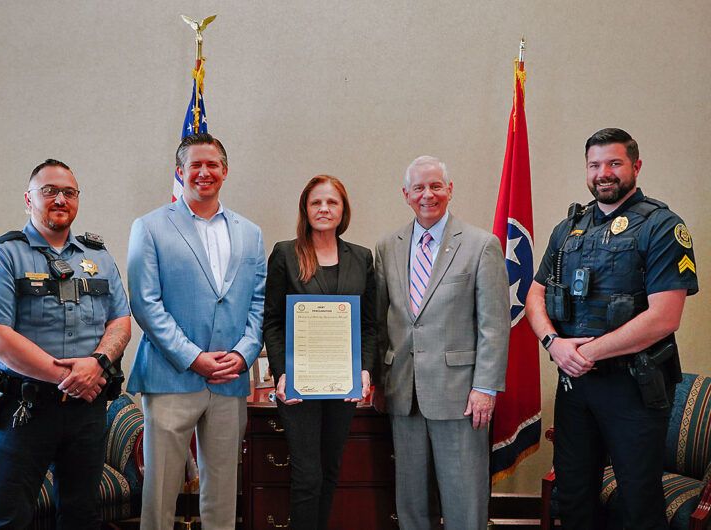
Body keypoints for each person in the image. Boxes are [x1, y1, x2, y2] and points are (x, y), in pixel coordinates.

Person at [525, 128, 699, 529]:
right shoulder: (568, 229)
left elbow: (664, 317)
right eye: (595, 164)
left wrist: (584, 353)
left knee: (638, 502)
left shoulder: (661, 226)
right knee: (572, 497)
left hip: (633, 389)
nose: (604, 173)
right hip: (575, 388)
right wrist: (554, 344)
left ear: (635, 166)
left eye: (614, 163)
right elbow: (534, 296)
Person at [0, 159, 131, 529]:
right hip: (24, 409)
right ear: (28, 199)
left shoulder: (98, 257)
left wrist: (97, 363)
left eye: (68, 192)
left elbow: (121, 321)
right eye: (49, 191)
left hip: (87, 409)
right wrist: (70, 376)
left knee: (82, 516)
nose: (60, 198)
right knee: (8, 518)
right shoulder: (4, 254)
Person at [127, 132, 266, 530]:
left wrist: (243, 354)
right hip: (172, 376)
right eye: (195, 165)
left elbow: (258, 303)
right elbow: (146, 304)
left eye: (212, 165)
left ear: (224, 171)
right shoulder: (150, 227)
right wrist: (193, 357)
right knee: (160, 497)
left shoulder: (250, 233)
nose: (204, 172)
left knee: (224, 494)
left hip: (229, 380)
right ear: (180, 172)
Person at [373, 155, 510, 529]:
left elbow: (494, 326)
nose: (427, 195)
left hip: (461, 396)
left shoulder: (482, 245)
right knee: (412, 504)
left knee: (464, 502)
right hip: (404, 393)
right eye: (418, 188)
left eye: (436, 186)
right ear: (406, 194)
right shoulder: (387, 247)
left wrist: (485, 387)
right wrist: (381, 382)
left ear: (449, 190)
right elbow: (381, 320)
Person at [262, 175, 377, 529]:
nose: (324, 209)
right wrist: (282, 374)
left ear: (343, 210)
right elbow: (273, 322)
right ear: (305, 209)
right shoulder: (285, 253)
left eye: (332, 203)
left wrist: (366, 370)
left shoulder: (361, 257)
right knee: (307, 475)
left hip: (343, 385)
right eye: (316, 203)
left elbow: (370, 325)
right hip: (298, 386)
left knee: (330, 471)